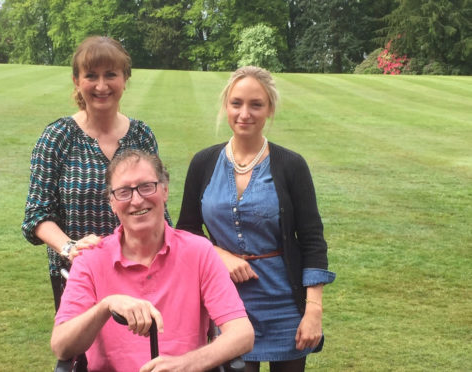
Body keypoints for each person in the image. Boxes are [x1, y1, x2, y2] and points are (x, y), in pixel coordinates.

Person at [176, 66, 335, 372]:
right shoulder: (204, 162)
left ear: (269, 109)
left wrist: (313, 310)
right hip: (226, 301)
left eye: (256, 104)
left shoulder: (291, 165)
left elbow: (313, 240)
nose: (244, 113)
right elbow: (187, 230)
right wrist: (219, 254)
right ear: (226, 106)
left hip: (284, 303)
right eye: (236, 103)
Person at [51, 149, 254, 372]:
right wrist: (106, 306)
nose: (137, 200)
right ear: (111, 203)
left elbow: (242, 334)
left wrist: (185, 364)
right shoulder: (90, 259)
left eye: (147, 187)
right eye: (124, 192)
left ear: (165, 190)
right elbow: (62, 346)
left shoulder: (198, 251)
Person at [21, 36, 168, 312]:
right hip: (79, 276)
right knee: (83, 353)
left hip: (140, 272)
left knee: (144, 351)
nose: (101, 86)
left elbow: (158, 206)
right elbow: (36, 217)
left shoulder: (142, 135)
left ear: (125, 79)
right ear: (77, 80)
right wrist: (69, 248)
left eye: (110, 75)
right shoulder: (58, 137)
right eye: (91, 76)